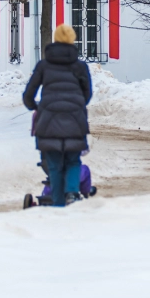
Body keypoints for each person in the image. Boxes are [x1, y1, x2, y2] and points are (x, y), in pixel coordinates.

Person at [22, 24, 93, 207]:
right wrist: (75, 105)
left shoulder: (43, 66)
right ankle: (71, 192)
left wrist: (37, 107)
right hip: (75, 119)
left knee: (53, 163)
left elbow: (28, 94)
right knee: (73, 159)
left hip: (49, 120)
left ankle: (58, 204)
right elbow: (87, 94)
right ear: (72, 40)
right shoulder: (80, 67)